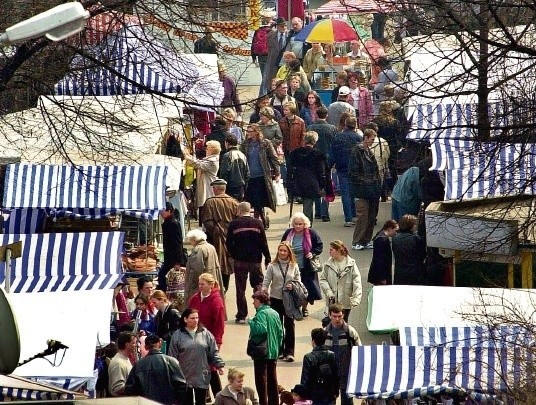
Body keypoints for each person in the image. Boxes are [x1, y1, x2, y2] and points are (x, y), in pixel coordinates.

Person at [169, 308, 226, 405]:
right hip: (184, 376)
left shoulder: (205, 333)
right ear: (185, 319)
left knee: (201, 402)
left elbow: (213, 352)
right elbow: (172, 357)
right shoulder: (177, 335)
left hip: (201, 375)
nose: (195, 320)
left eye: (197, 318)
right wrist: (173, 374)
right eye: (192, 318)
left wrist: (220, 365)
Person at [227, 201, 270, 324]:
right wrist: (267, 258)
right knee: (258, 285)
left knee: (240, 288)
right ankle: (261, 311)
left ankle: (241, 315)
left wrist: (234, 255)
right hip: (256, 260)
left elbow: (229, 244)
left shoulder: (233, 224)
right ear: (249, 210)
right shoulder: (258, 223)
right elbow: (264, 242)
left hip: (240, 260)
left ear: (239, 210)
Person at [188, 273, 226, 399]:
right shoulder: (195, 298)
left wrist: (217, 341)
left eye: (203, 284)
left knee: (211, 368)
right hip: (194, 338)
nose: (200, 286)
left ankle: (219, 396)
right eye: (199, 284)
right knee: (198, 368)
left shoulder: (217, 302)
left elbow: (219, 324)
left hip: (209, 340)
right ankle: (206, 395)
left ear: (211, 285)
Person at [261, 241, 301, 362]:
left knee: (289, 326)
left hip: (289, 300)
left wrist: (293, 286)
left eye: (284, 251)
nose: (282, 253)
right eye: (280, 250)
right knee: (277, 326)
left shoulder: (294, 266)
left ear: (289, 252)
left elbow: (298, 281)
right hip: (275, 299)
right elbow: (266, 281)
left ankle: (289, 352)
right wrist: (264, 293)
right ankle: (278, 350)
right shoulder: (272, 266)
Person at [125, 334, 188, 404]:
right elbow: (181, 385)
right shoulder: (171, 362)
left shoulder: (138, 365)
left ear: (146, 347)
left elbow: (129, 389)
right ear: (160, 344)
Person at [281, 212, 323, 316]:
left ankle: (304, 308)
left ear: (304, 224)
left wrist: (312, 253)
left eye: (300, 224)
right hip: (292, 266)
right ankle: (295, 307)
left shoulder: (311, 233)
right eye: (296, 224)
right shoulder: (288, 233)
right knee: (293, 288)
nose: (298, 226)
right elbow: (282, 246)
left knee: (307, 289)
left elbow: (319, 246)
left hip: (307, 267)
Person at [201, 178, 239, 291]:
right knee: (227, 264)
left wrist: (215, 231)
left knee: (213, 264)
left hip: (214, 240)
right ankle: (224, 287)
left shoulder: (210, 202)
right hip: (231, 240)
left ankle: (216, 288)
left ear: (215, 189)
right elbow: (238, 220)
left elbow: (206, 221)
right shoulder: (234, 202)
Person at [241, 123, 280, 229]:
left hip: (261, 176)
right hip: (249, 177)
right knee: (252, 200)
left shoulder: (265, 143)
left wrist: (277, 173)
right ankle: (260, 221)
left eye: (251, 131)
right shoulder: (245, 144)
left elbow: (273, 158)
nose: (248, 133)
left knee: (258, 200)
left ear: (257, 132)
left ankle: (259, 221)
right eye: (247, 131)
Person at [248, 290, 283, 405]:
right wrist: (278, 347)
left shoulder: (261, 313)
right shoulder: (274, 313)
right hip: (273, 351)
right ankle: (274, 402)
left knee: (261, 379)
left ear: (261, 301)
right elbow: (280, 332)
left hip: (262, 351)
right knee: (272, 379)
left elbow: (261, 329)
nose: (253, 303)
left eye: (255, 300)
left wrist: (251, 322)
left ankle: (263, 402)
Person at [349, 129, 381, 250]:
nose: (373, 142)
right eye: (372, 139)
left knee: (371, 217)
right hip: (362, 189)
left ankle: (365, 240)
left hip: (370, 189)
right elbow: (353, 172)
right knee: (363, 216)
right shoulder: (357, 151)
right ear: (366, 138)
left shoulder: (367, 151)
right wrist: (368, 181)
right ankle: (357, 241)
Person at [324, 304, 361, 405]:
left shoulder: (350, 332)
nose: (337, 319)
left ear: (343, 315)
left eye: (339, 316)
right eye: (334, 316)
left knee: (347, 401)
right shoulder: (324, 333)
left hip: (346, 372)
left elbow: (360, 352)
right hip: (330, 374)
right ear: (330, 316)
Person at [287, 131, 327, 224]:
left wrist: (289, 183)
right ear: (315, 142)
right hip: (311, 183)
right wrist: (322, 185)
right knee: (308, 205)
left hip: (298, 181)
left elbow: (289, 169)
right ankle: (306, 226)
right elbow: (321, 172)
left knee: (306, 204)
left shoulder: (295, 153)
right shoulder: (318, 154)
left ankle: (304, 224)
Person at [329, 116, 363, 227]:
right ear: (355, 125)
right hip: (355, 168)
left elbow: (333, 152)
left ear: (345, 124)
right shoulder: (358, 138)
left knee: (345, 193)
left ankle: (348, 218)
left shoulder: (338, 137)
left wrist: (329, 165)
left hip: (342, 167)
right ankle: (354, 215)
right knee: (354, 192)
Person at [319, 240, 362, 322]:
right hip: (332, 302)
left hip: (346, 301)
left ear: (338, 250)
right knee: (332, 322)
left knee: (344, 322)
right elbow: (323, 279)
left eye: (331, 249)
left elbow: (357, 282)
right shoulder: (328, 264)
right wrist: (329, 293)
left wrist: (356, 298)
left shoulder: (351, 264)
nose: (329, 251)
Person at [300, 328, 339, 405]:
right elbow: (336, 375)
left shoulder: (308, 357)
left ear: (313, 341)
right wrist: (336, 392)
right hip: (329, 394)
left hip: (313, 395)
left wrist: (303, 395)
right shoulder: (332, 355)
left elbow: (305, 379)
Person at [184, 229, 224, 301]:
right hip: (211, 279)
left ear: (194, 239)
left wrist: (192, 286)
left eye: (190, 240)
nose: (190, 242)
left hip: (202, 284)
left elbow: (196, 270)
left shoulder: (198, 249)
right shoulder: (211, 247)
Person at [183, 140, 221, 213]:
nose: (206, 150)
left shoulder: (212, 161)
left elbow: (198, 164)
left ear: (212, 150)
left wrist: (186, 156)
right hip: (206, 185)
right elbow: (199, 162)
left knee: (207, 207)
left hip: (208, 187)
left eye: (207, 148)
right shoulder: (210, 159)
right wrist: (189, 155)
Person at [159, 202, 186, 292]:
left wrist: (178, 262)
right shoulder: (168, 222)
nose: (161, 213)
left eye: (163, 211)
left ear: (169, 211)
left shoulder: (173, 223)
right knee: (164, 278)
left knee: (164, 277)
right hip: (169, 256)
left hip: (173, 258)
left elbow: (177, 243)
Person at [392, 214, 427, 285]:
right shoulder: (416, 239)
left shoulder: (395, 238)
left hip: (400, 271)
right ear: (411, 226)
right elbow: (422, 254)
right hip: (415, 271)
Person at [252, 11, 275, 96]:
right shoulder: (272, 31)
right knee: (267, 76)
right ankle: (262, 95)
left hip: (260, 56)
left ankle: (266, 94)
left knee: (264, 75)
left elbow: (253, 43)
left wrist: (254, 57)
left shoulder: (258, 30)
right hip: (269, 56)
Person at [368, 220, 398, 286]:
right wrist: (383, 278)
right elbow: (380, 260)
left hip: (378, 273)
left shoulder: (380, 236)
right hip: (381, 275)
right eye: (395, 230)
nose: (396, 233)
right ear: (389, 229)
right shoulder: (382, 240)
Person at [220, 135, 249, 201]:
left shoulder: (227, 155)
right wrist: (245, 187)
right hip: (241, 186)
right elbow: (247, 173)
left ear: (227, 143)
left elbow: (224, 173)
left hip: (230, 186)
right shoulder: (242, 155)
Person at [264, 17, 289, 96]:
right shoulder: (270, 36)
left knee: (284, 82)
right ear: (277, 26)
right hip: (273, 63)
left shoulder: (289, 35)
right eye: (282, 26)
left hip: (285, 63)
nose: (284, 28)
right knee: (272, 83)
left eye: (285, 26)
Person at [108, 332, 135, 397]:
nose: (136, 345)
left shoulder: (125, 359)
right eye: (133, 343)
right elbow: (118, 388)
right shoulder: (118, 363)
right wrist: (136, 387)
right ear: (127, 345)